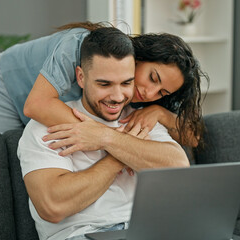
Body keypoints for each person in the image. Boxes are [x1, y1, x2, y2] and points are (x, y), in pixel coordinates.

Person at [17, 27, 189, 240]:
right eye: (104, 84)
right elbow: (53, 206)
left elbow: (179, 167)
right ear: (80, 77)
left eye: (126, 83)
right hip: (83, 235)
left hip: (145, 231)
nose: (117, 96)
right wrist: (118, 157)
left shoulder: (138, 118)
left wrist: (107, 138)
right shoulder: (44, 125)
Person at [0, 21, 207, 147]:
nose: (149, 92)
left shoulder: (150, 99)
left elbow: (192, 138)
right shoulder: (80, 45)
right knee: (1, 165)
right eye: (153, 78)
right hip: (4, 86)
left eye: (162, 92)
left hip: (51, 102)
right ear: (141, 56)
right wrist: (113, 139)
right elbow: (37, 105)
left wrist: (160, 113)